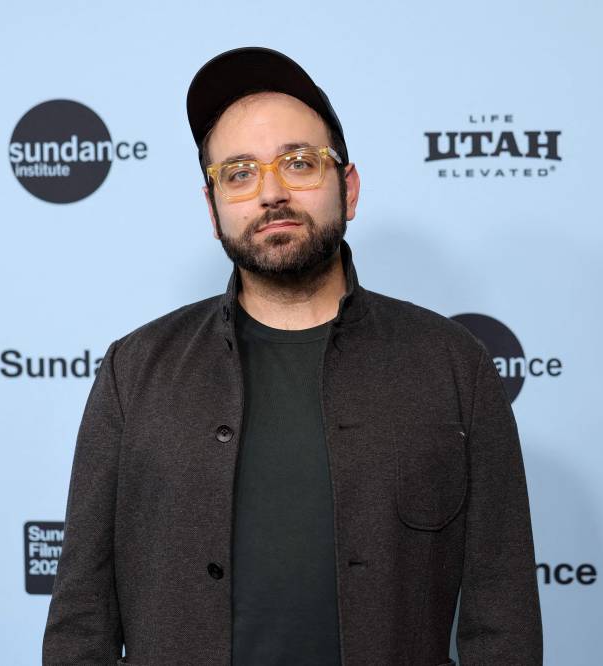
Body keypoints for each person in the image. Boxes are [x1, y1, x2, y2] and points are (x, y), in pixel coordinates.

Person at [42, 46, 542, 666]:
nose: (271, 192)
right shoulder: (134, 371)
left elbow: (504, 617)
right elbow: (80, 621)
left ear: (348, 188)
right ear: (213, 206)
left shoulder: (452, 365)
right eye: (240, 172)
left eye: (299, 162)